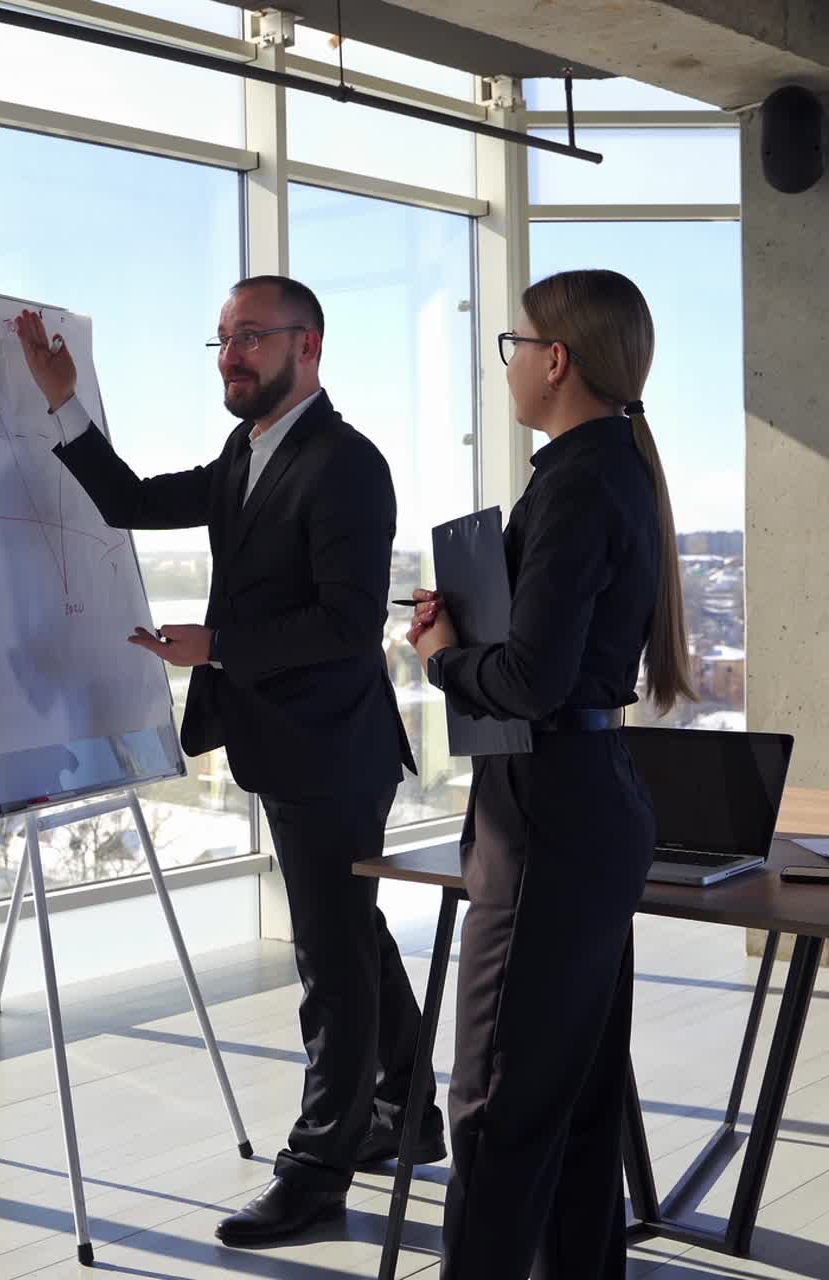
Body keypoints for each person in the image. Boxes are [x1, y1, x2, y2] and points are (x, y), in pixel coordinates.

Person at [14, 276, 444, 1246]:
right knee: (348, 929)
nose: (230, 355)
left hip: (332, 747)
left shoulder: (345, 464)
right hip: (285, 743)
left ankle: (316, 1172)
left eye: (250, 337)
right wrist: (60, 396)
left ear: (309, 345)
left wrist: (214, 645)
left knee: (327, 958)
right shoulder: (243, 454)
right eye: (220, 340)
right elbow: (126, 497)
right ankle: (409, 1113)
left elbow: (342, 626)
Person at [408, 268, 695, 1279]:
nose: (508, 364)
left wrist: (440, 656)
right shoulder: (613, 467)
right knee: (571, 1099)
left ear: (555, 359)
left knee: (491, 1105)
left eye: (511, 344)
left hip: (546, 817)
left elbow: (525, 677)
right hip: (589, 800)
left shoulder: (574, 479)